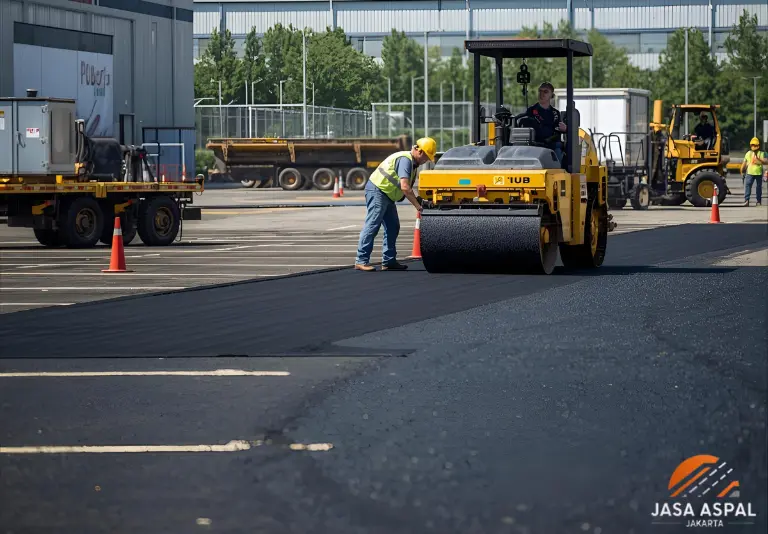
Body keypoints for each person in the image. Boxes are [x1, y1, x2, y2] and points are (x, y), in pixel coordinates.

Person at [354, 137, 436, 271]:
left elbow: (406, 187)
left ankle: (388, 261)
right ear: (419, 151)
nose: (426, 160)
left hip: (387, 194)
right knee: (373, 224)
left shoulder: (412, 164)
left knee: (393, 226)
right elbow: (405, 187)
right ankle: (361, 260)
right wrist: (418, 207)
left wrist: (419, 199)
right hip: (378, 191)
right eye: (426, 157)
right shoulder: (405, 160)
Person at [523, 81, 567, 164]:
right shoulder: (531, 111)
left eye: (545, 92)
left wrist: (565, 129)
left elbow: (557, 129)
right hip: (535, 146)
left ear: (551, 95)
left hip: (551, 147)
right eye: (540, 91)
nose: (541, 94)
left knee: (560, 148)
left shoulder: (555, 113)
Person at [740, 137, 768, 207]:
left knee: (757, 188)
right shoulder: (749, 153)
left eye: (755, 145)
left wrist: (759, 159)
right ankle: (748, 200)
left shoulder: (763, 153)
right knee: (749, 187)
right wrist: (742, 171)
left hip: (758, 173)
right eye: (753, 145)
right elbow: (744, 164)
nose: (754, 146)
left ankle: (757, 201)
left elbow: (766, 161)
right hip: (750, 173)